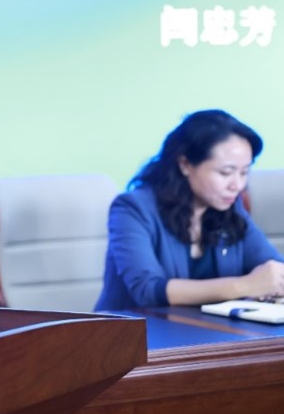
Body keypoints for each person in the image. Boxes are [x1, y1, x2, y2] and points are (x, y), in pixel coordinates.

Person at [95, 109, 284, 312]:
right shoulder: (132, 208)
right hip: (134, 330)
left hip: (210, 330)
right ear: (185, 164)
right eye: (226, 172)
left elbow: (271, 268)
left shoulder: (230, 207)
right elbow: (148, 289)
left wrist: (274, 281)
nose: (237, 185)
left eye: (244, 172)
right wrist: (245, 286)